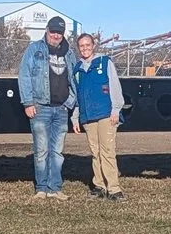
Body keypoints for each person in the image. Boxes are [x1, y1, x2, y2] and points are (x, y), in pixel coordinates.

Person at [15, 16, 78, 198]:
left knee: (57, 151)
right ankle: (41, 188)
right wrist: (28, 102)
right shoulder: (34, 49)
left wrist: (70, 102)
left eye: (59, 32)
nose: (56, 35)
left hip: (61, 109)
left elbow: (74, 79)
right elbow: (24, 76)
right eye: (53, 31)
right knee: (41, 150)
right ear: (47, 30)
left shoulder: (69, 53)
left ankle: (55, 188)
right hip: (40, 107)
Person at [72, 33, 127, 200]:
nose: (85, 48)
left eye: (87, 45)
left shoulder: (105, 62)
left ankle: (114, 188)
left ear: (93, 45)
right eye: (81, 46)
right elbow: (76, 95)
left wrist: (116, 110)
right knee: (95, 152)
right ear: (78, 48)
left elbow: (115, 86)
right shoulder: (77, 69)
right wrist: (75, 117)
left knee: (107, 151)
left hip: (106, 114)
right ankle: (99, 186)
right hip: (88, 117)